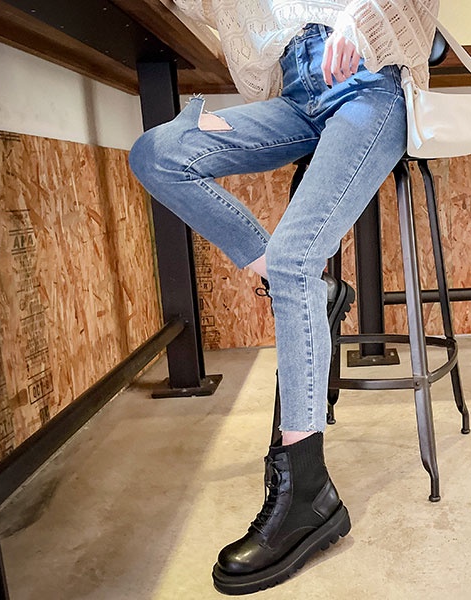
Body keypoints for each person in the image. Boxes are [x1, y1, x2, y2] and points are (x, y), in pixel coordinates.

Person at [129, 0, 439, 594]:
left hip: (369, 85)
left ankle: (307, 493)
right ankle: (303, 289)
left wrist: (361, 15)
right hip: (297, 95)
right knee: (158, 153)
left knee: (298, 260)